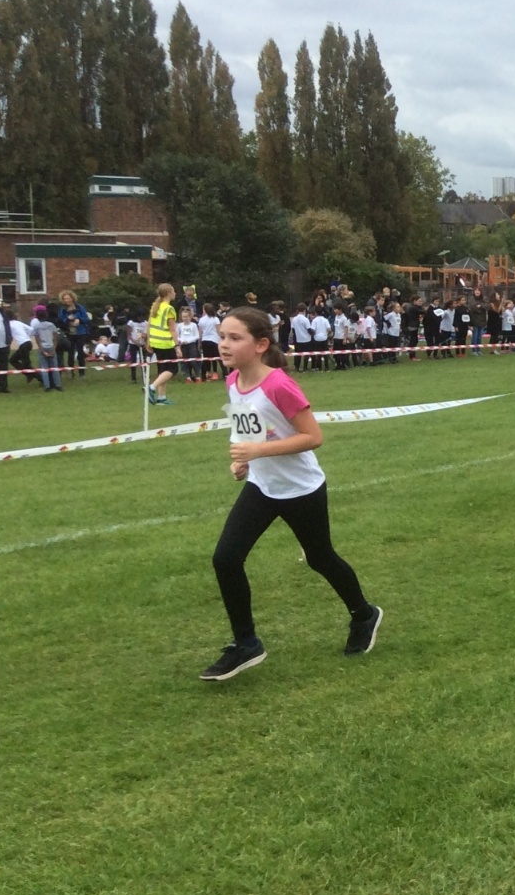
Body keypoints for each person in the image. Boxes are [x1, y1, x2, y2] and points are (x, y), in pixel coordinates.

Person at [202, 307, 383, 681]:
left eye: (235, 338)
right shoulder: (233, 380)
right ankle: (246, 644)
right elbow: (248, 431)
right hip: (262, 487)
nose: (224, 344)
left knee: (320, 558)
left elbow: (312, 437)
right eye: (222, 336)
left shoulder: (279, 385)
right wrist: (243, 461)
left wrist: (257, 451)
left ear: (260, 345)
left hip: (301, 489)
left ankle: (364, 615)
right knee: (226, 558)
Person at [146, 283, 179, 404]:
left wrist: (148, 341)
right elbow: (172, 329)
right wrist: (177, 345)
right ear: (168, 293)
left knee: (163, 370)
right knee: (173, 369)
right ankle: (151, 388)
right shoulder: (169, 309)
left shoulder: (156, 306)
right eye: (173, 291)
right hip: (165, 342)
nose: (175, 293)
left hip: (155, 342)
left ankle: (161, 398)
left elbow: (149, 325)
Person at [31, 304, 64, 392]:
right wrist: (53, 349)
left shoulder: (37, 327)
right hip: (51, 346)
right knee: (55, 367)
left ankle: (47, 386)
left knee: (44, 368)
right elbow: (55, 338)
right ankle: (58, 385)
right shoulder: (51, 325)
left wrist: (43, 351)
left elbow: (37, 340)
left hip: (43, 347)